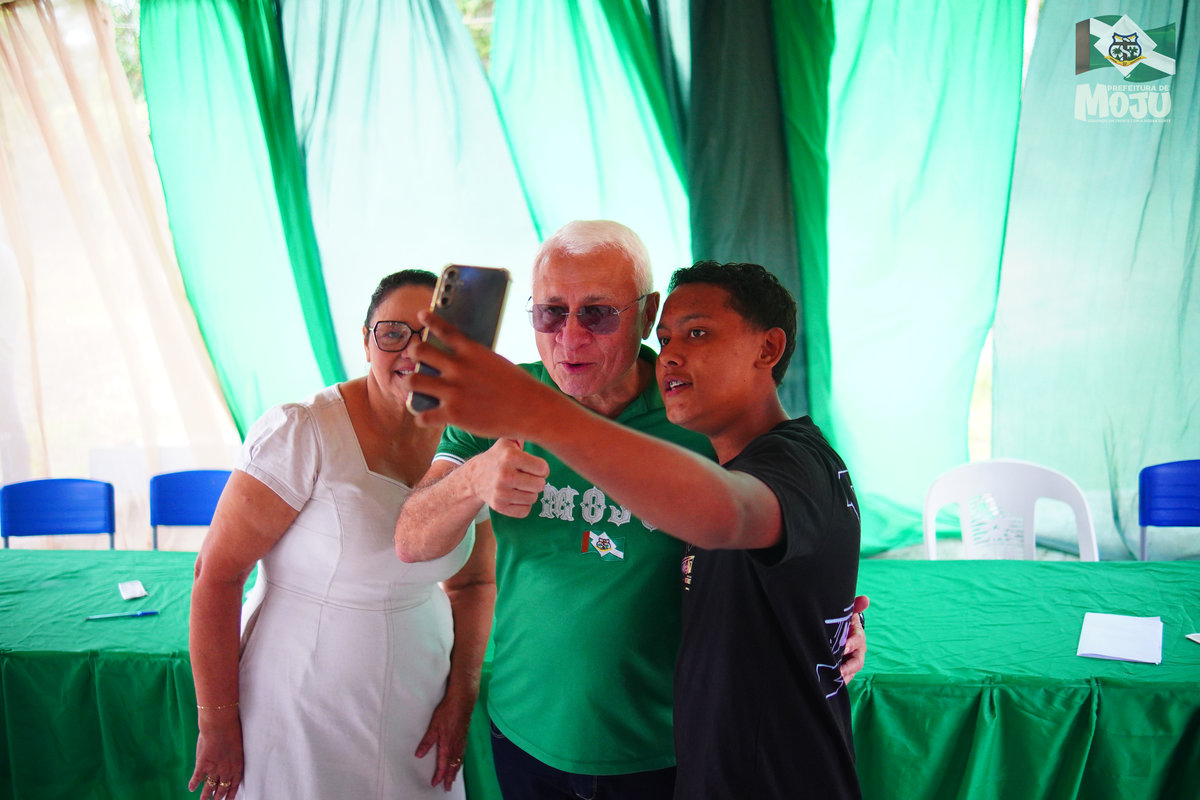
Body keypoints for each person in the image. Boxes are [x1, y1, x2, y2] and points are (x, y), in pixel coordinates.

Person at [394, 221, 865, 799]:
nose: (570, 337)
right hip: (524, 729)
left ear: (646, 314)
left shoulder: (695, 408)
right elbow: (410, 540)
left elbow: (765, 514)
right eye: (550, 313)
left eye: (597, 314)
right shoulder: (498, 404)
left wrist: (828, 617)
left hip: (667, 747)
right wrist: (472, 480)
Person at [188, 270, 495, 800]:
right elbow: (216, 574)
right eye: (393, 333)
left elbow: (474, 584)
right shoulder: (302, 431)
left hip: (420, 706)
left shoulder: (463, 440)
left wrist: (460, 696)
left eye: (433, 337)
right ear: (366, 340)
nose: (413, 352)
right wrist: (217, 723)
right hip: (300, 706)